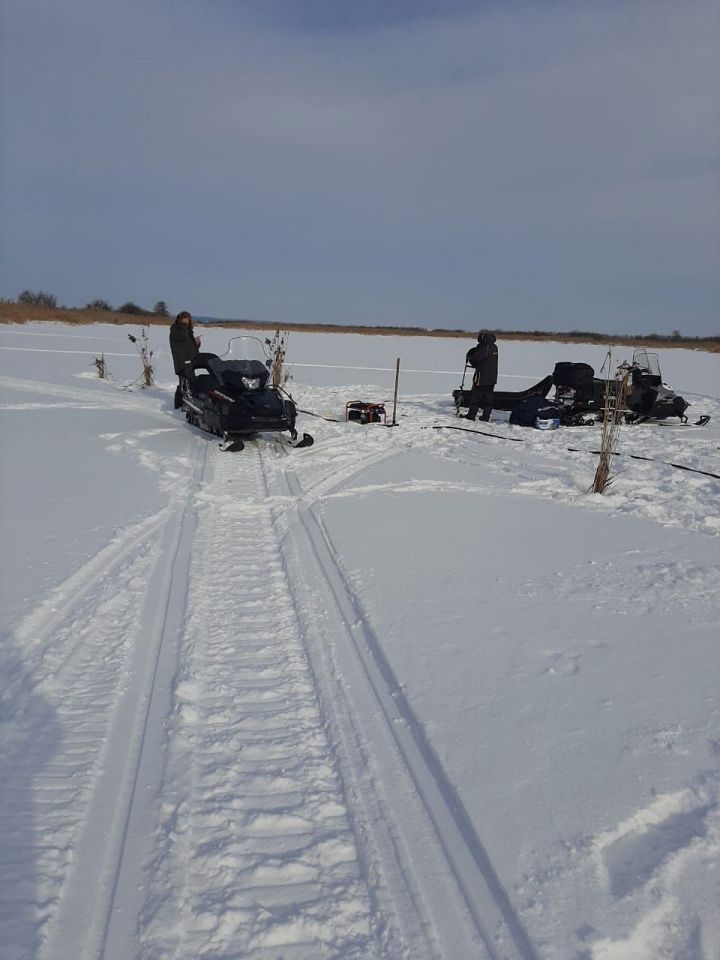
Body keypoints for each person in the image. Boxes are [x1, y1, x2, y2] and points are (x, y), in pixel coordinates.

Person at [169, 310, 201, 409]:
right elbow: (182, 337)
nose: (186, 322)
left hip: (190, 361)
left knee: (190, 383)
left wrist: (196, 343)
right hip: (182, 362)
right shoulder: (176, 330)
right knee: (184, 383)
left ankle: (187, 404)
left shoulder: (186, 330)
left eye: (187, 320)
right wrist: (184, 325)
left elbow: (189, 346)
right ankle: (180, 406)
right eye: (184, 320)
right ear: (180, 320)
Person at [464, 330, 498, 421]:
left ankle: (471, 415)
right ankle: (486, 416)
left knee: (476, 396)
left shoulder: (484, 348)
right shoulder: (494, 347)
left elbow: (475, 361)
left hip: (481, 377)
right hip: (492, 378)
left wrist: (470, 356)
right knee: (488, 397)